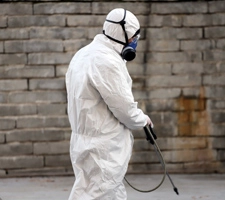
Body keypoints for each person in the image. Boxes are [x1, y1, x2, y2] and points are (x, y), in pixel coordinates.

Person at [65, 8, 153, 200]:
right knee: (97, 194)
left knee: (103, 191)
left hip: (85, 141)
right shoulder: (106, 61)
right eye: (133, 37)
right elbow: (124, 108)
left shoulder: (83, 54)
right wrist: (142, 119)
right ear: (122, 34)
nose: (134, 42)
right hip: (103, 145)